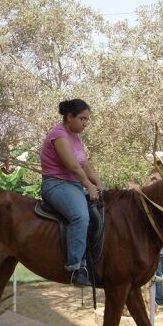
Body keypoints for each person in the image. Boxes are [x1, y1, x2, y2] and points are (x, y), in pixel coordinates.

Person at [40, 99, 105, 287]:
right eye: (82, 119)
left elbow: (85, 164)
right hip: (56, 184)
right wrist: (89, 186)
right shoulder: (59, 135)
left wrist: (99, 183)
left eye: (87, 120)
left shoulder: (76, 137)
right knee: (80, 216)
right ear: (69, 117)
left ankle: (94, 259)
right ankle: (76, 267)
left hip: (73, 185)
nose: (85, 123)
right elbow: (73, 166)